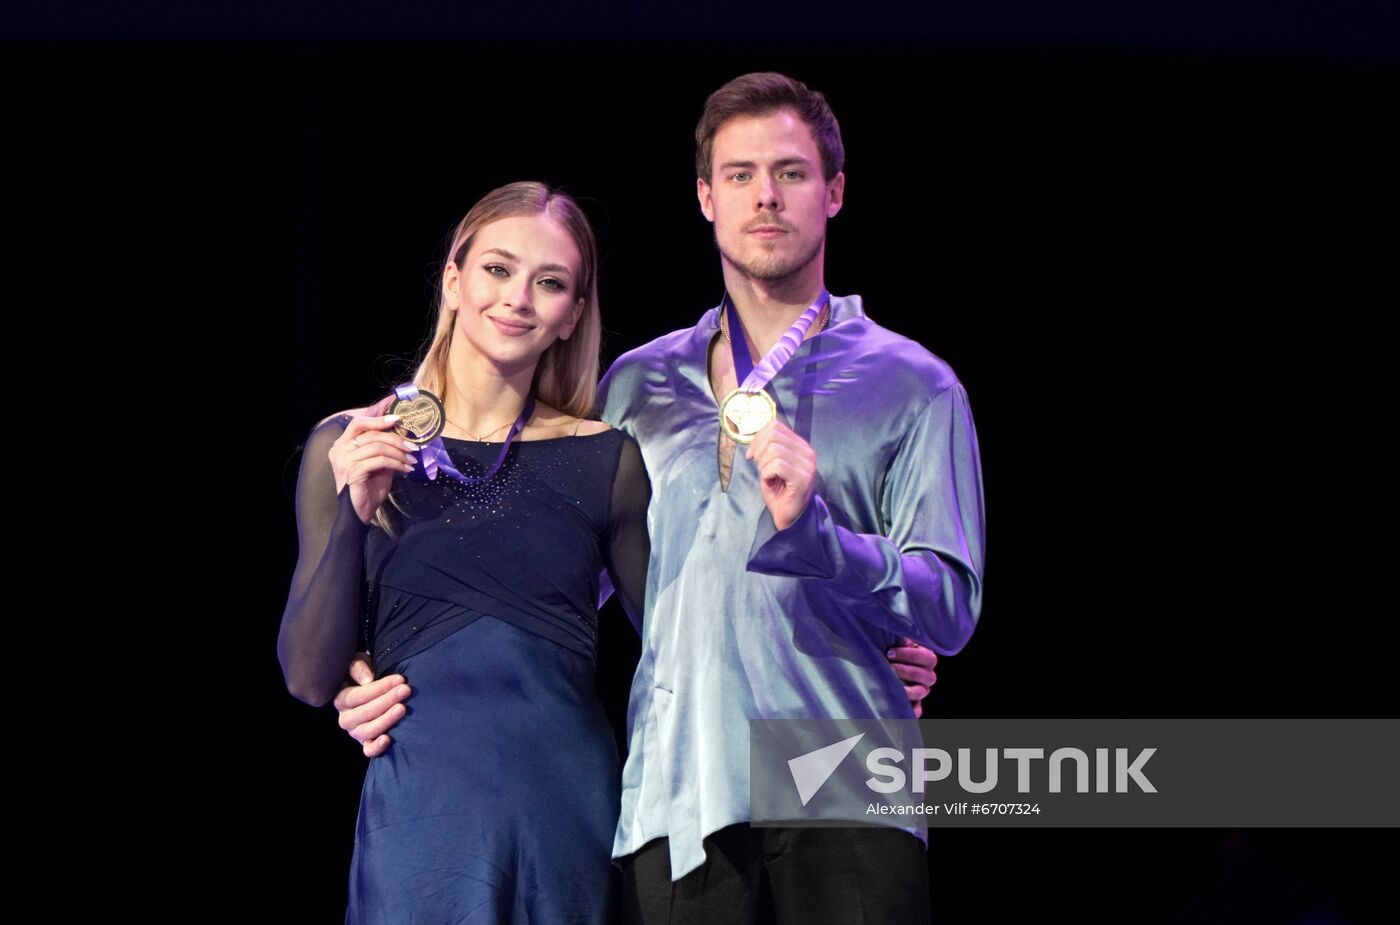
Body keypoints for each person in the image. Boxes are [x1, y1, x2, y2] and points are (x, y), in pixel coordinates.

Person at [336, 72, 978, 923]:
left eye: (790, 172)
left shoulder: (915, 384)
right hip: (678, 791)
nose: (766, 197)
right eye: (741, 175)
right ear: (707, 198)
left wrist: (833, 555)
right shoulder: (639, 381)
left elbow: (951, 604)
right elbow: (549, 571)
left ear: (835, 191)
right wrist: (389, 671)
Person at [277, 181, 651, 924]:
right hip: (421, 809)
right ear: (453, 279)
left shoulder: (608, 459)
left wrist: (856, 654)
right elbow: (309, 678)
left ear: (573, 314)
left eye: (550, 283)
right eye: (497, 269)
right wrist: (355, 510)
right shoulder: (348, 442)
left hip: (566, 808)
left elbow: (678, 647)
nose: (517, 297)